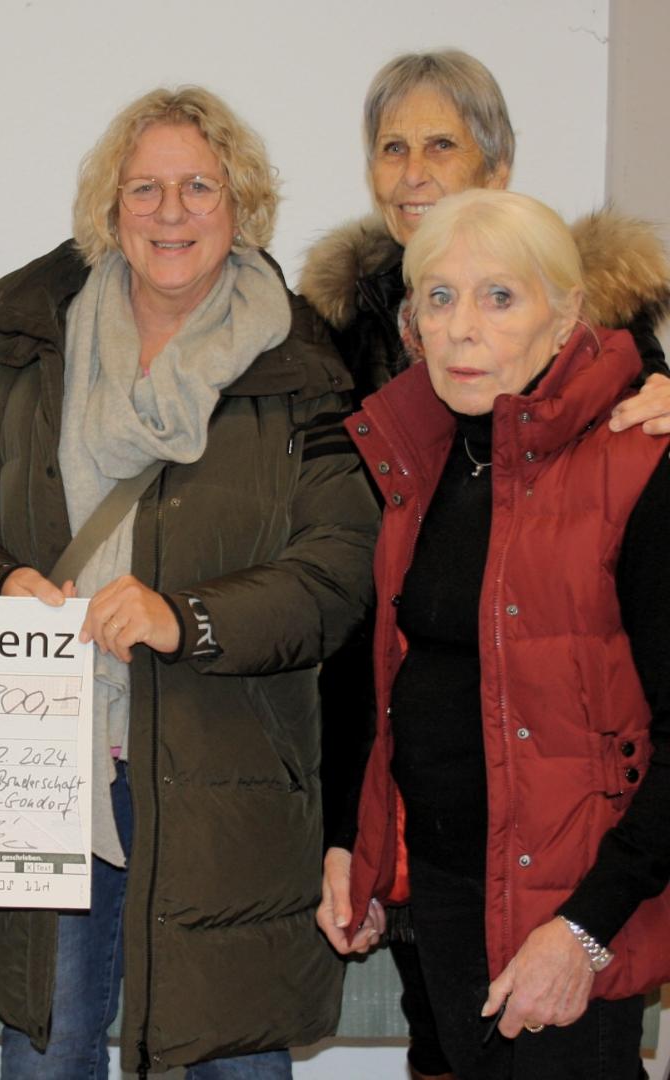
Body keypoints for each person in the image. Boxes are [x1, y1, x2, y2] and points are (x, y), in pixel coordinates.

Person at [0, 86, 378, 1078]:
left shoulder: (303, 366)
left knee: (229, 1059)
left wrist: (188, 617)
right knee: (46, 1053)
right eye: (146, 189)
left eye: (199, 187)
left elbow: (337, 572)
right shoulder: (26, 343)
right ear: (108, 209)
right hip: (45, 767)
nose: (171, 212)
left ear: (240, 204)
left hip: (227, 777)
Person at [298, 50, 670, 1080]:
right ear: (410, 324)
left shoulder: (635, 450)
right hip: (449, 885)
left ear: (567, 314)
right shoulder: (424, 454)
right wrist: (361, 846)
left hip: (569, 905)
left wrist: (586, 929)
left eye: (500, 299)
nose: (466, 329)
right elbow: (383, 667)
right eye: (443, 300)